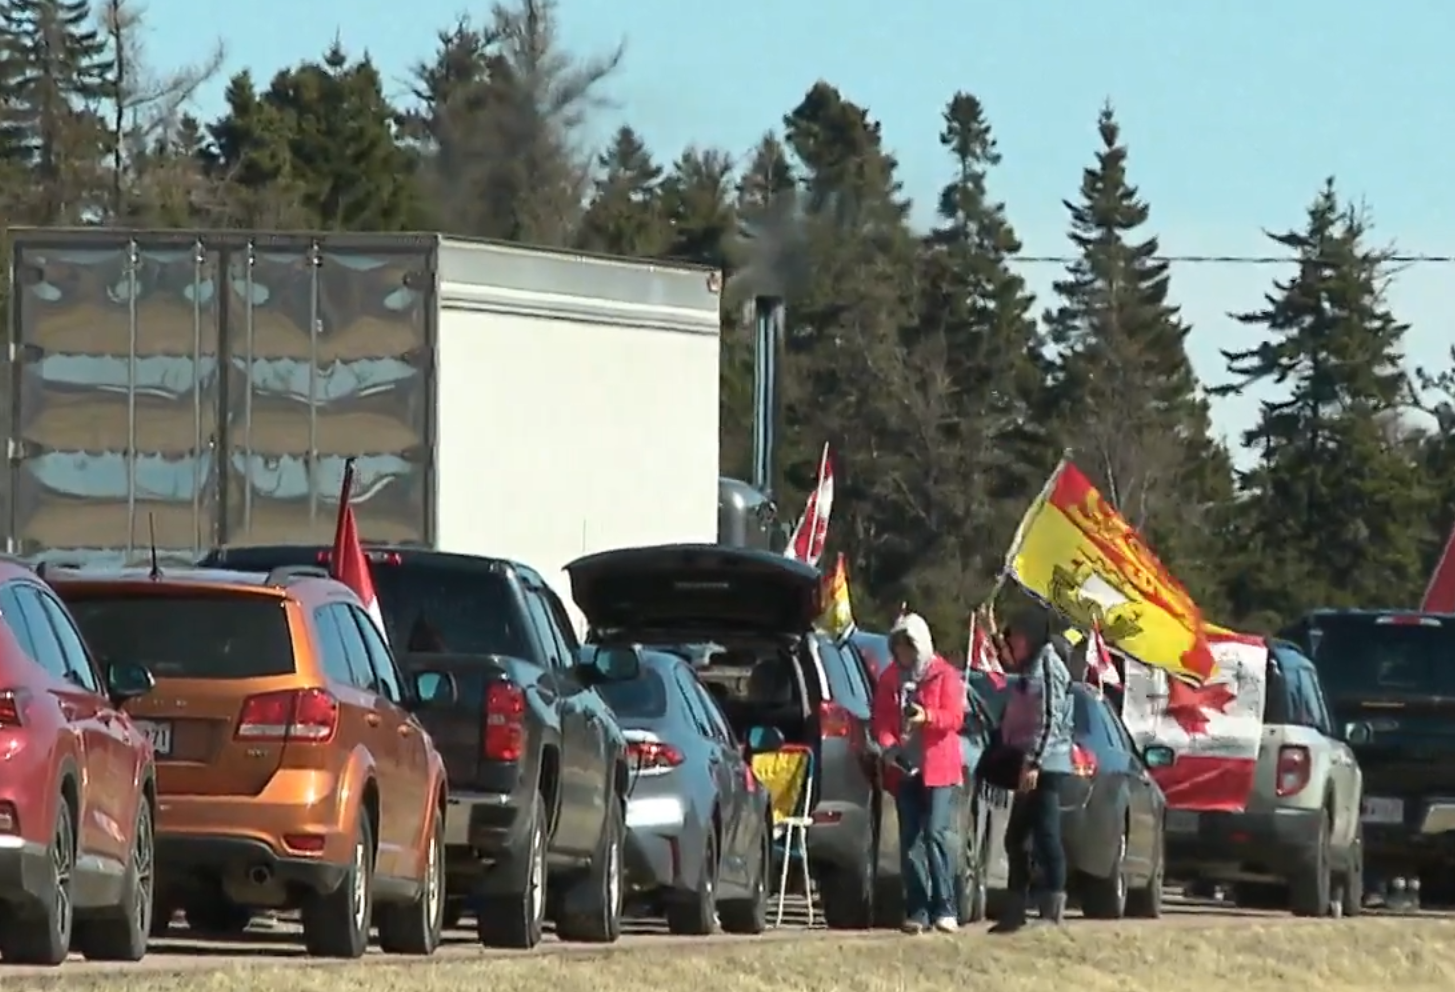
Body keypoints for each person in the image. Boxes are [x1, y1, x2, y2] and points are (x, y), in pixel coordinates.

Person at [870, 612, 966, 934]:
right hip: (905, 769)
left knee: (936, 834)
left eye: (908, 647)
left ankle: (946, 906)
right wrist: (888, 745)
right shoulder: (889, 679)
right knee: (910, 839)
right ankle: (918, 909)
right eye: (897, 648)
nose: (903, 655)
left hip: (940, 768)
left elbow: (955, 718)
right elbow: (881, 719)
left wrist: (927, 716)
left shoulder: (945, 676)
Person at [991, 603, 1075, 931]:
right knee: (1016, 839)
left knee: (1047, 836)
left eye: (1020, 637)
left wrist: (1035, 761)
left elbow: (1051, 717)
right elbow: (1009, 665)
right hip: (1027, 760)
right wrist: (994, 633)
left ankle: (1052, 910)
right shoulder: (1031, 665)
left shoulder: (1050, 666)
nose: (1017, 644)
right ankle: (1014, 911)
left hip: (1046, 763)